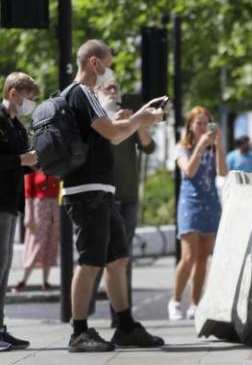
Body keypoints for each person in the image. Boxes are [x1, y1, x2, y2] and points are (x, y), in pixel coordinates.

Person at [61, 39, 166, 352]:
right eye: (108, 63)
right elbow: (113, 134)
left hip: (102, 191)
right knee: (90, 262)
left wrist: (138, 120)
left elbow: (114, 133)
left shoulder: (80, 96)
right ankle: (79, 332)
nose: (110, 71)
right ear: (94, 63)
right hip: (89, 190)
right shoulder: (83, 94)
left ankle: (125, 326)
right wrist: (141, 119)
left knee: (117, 259)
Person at [91, 78, 155, 326]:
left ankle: (121, 316)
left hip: (128, 196)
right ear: (97, 92)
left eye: (116, 86)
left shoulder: (130, 118)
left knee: (122, 258)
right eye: (107, 86)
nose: (113, 89)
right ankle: (83, 314)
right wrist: (119, 122)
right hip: (105, 195)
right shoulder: (98, 118)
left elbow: (149, 147)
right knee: (99, 258)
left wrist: (136, 122)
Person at [170, 106, 227, 321]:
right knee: (188, 256)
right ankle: (175, 300)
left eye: (206, 123)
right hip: (190, 204)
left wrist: (218, 146)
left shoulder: (213, 148)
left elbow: (222, 172)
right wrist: (200, 147)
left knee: (203, 257)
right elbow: (190, 170)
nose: (203, 127)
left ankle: (195, 303)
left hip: (210, 203)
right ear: (191, 126)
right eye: (199, 123)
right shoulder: (181, 148)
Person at [0, 72, 40, 351]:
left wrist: (31, 163)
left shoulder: (15, 124)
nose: (29, 104)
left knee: (4, 267)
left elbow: (19, 162)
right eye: (27, 98)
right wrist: (20, 159)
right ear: (13, 93)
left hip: (11, 201)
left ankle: (0, 326)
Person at [16, 168, 60, 293]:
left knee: (51, 243)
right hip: (39, 207)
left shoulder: (55, 166)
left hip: (55, 206)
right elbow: (28, 192)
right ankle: (23, 280)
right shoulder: (33, 168)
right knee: (35, 243)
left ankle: (45, 281)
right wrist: (29, 214)